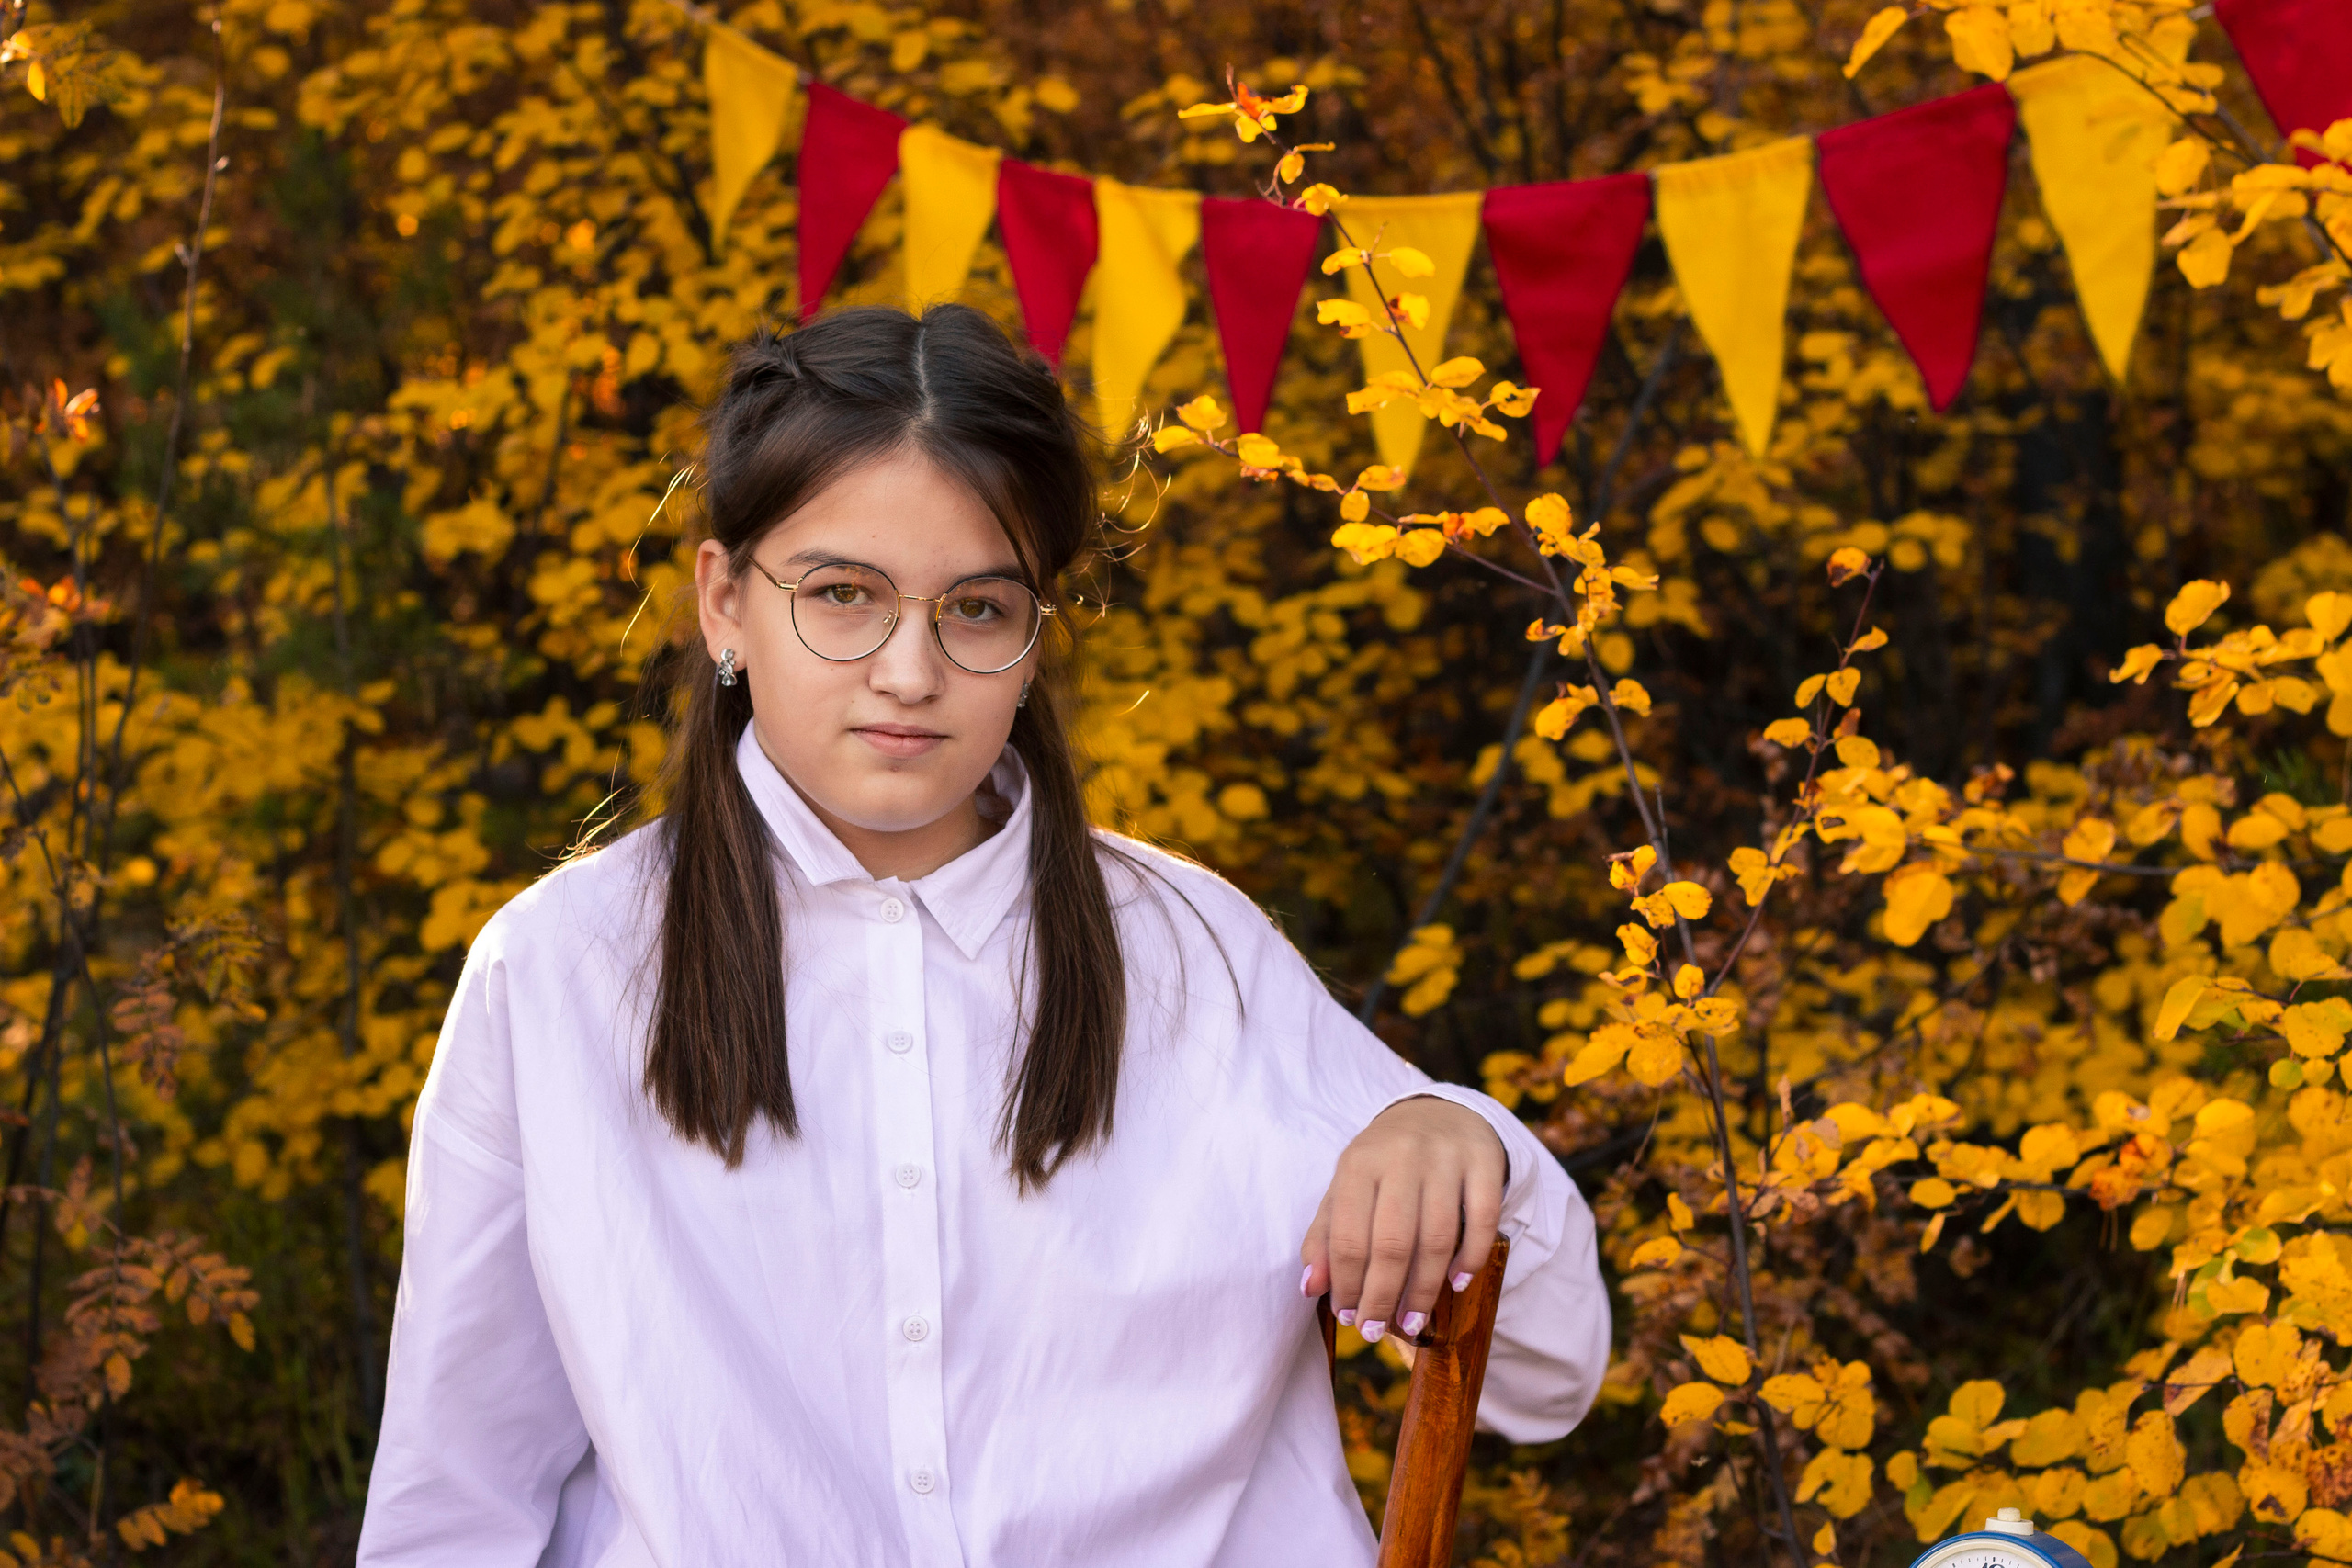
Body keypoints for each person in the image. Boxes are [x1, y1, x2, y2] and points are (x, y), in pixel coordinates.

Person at [356, 304, 1610, 1566]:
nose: (910, 670)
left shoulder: (1194, 958)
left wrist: (1460, 1141)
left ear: (1034, 630)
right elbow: (456, 1503)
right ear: (724, 601)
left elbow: (1544, 1379)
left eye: (975, 608)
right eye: (841, 594)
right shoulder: (560, 974)